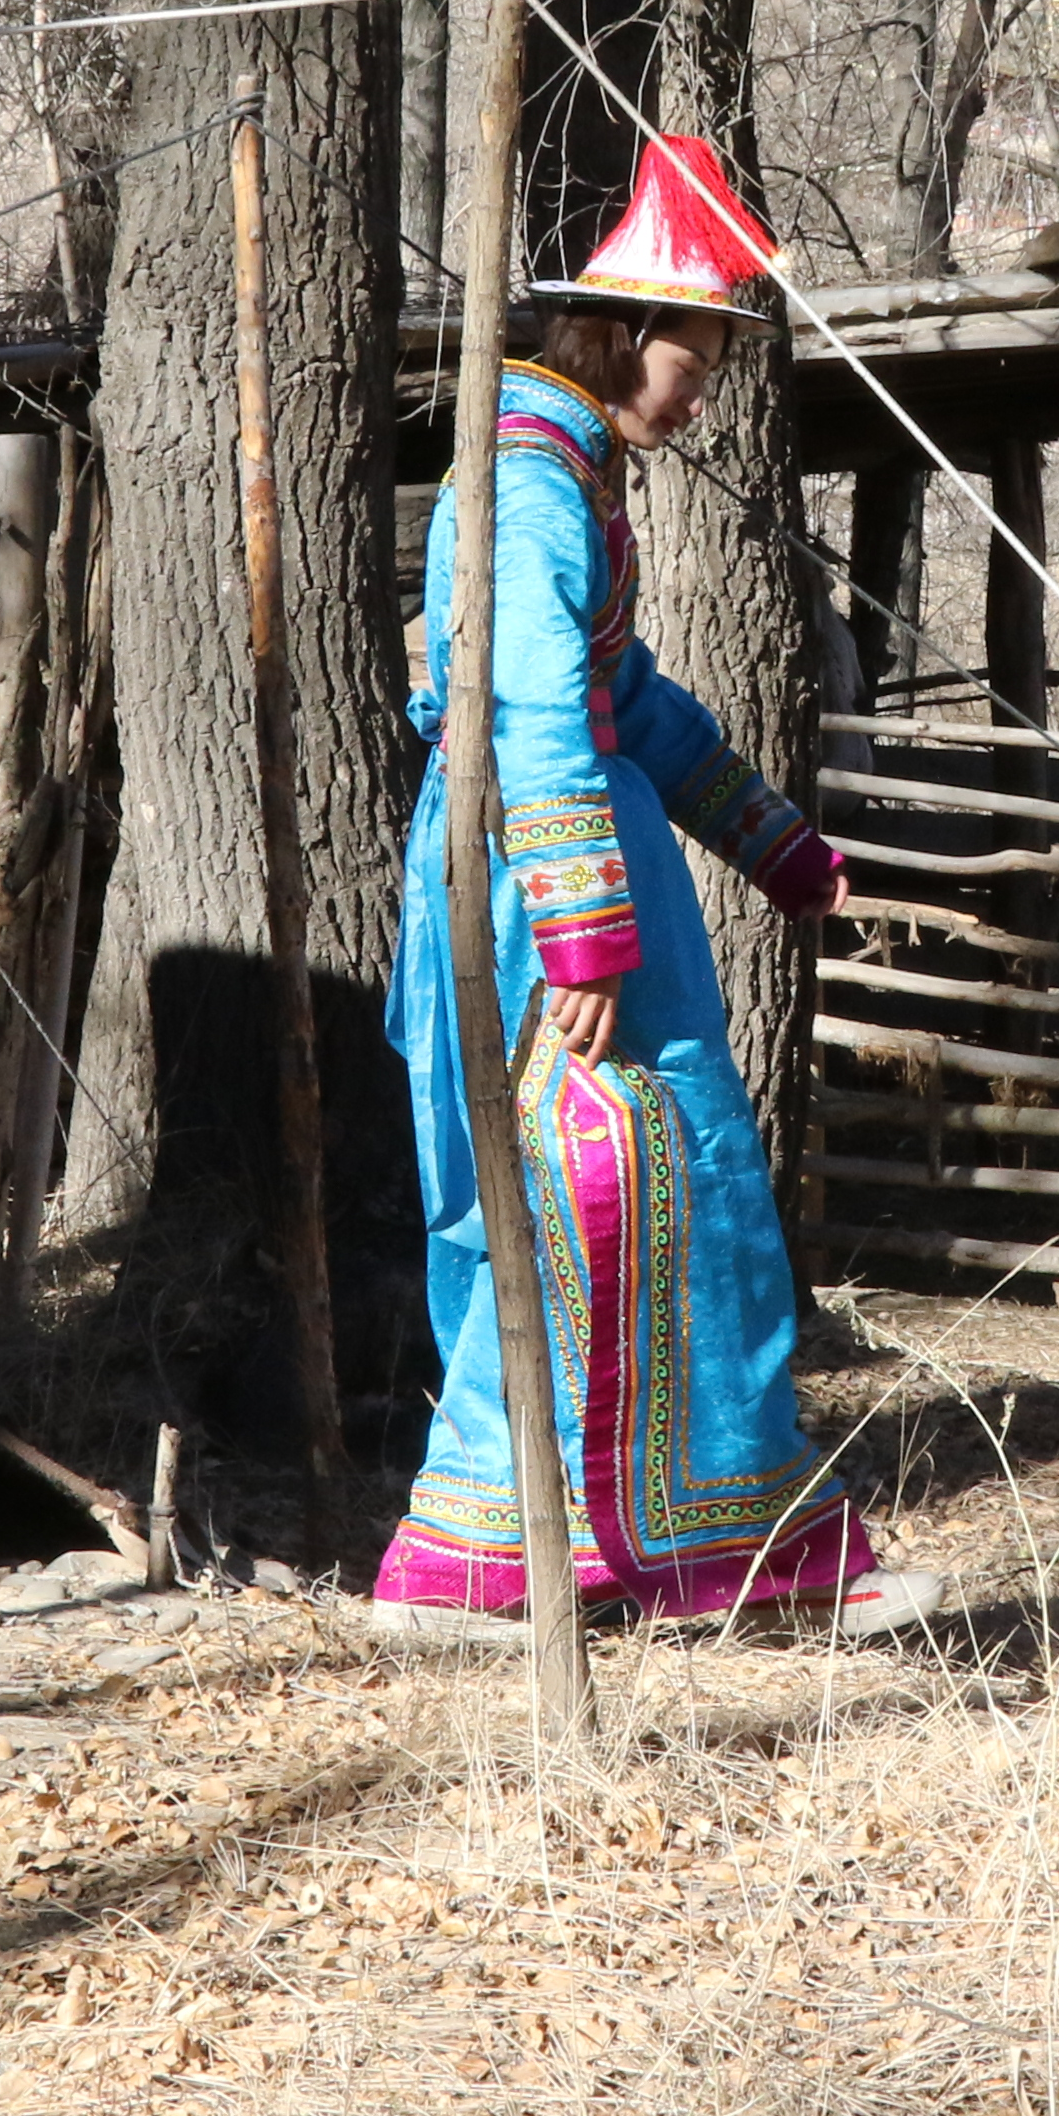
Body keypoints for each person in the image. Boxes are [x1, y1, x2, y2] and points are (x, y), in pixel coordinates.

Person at [375, 137, 897, 1637]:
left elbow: (626, 697)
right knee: (589, 1194)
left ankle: (665, 1548)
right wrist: (585, 937)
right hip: (541, 901)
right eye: (700, 358)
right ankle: (537, 1558)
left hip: (570, 879)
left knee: (655, 1198)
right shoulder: (527, 488)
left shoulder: (566, 476)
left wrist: (772, 840)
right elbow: (533, 709)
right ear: (625, 336)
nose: (704, 392)